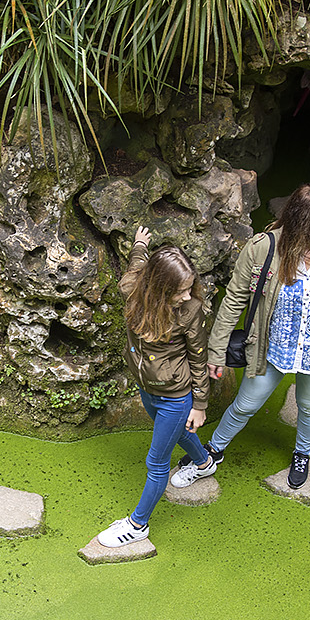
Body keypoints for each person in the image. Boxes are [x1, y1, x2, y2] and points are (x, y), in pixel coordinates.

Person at [171, 185, 310, 491]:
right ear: (304, 223)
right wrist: (217, 350)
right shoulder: (263, 248)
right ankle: (214, 449)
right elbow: (234, 299)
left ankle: (302, 453)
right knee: (246, 404)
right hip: (271, 347)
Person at [96, 227, 214, 547]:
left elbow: (199, 360)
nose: (187, 296)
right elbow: (137, 266)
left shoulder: (189, 311)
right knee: (178, 432)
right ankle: (204, 463)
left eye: (190, 288)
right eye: (180, 290)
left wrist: (199, 405)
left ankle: (137, 526)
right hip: (147, 386)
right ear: (158, 288)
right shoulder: (133, 290)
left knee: (156, 461)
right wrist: (139, 245)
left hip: (176, 394)